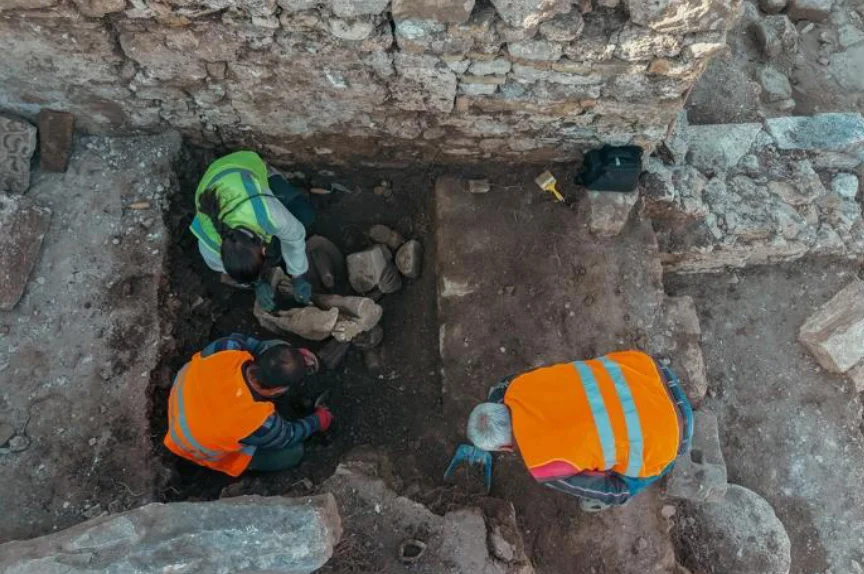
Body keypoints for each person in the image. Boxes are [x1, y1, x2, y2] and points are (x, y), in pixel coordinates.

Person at [465, 350, 693, 511]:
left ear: (505, 447)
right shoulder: (520, 384)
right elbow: (502, 387)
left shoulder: (544, 465)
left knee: (618, 490)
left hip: (676, 432)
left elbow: (614, 490)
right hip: (651, 372)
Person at [164, 334, 332, 477]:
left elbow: (249, 343)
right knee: (294, 452)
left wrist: (293, 356)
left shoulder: (227, 348)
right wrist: (318, 420)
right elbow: (288, 435)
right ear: (278, 390)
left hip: (180, 401)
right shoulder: (259, 422)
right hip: (190, 445)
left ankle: (282, 354)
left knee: (278, 346)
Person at [189, 151, 316, 310]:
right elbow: (227, 271)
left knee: (304, 215)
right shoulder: (210, 246)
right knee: (276, 252)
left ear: (263, 248)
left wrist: (298, 274)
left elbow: (295, 235)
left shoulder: (265, 212)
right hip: (217, 184)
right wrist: (257, 283)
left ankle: (278, 179)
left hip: (245, 165)